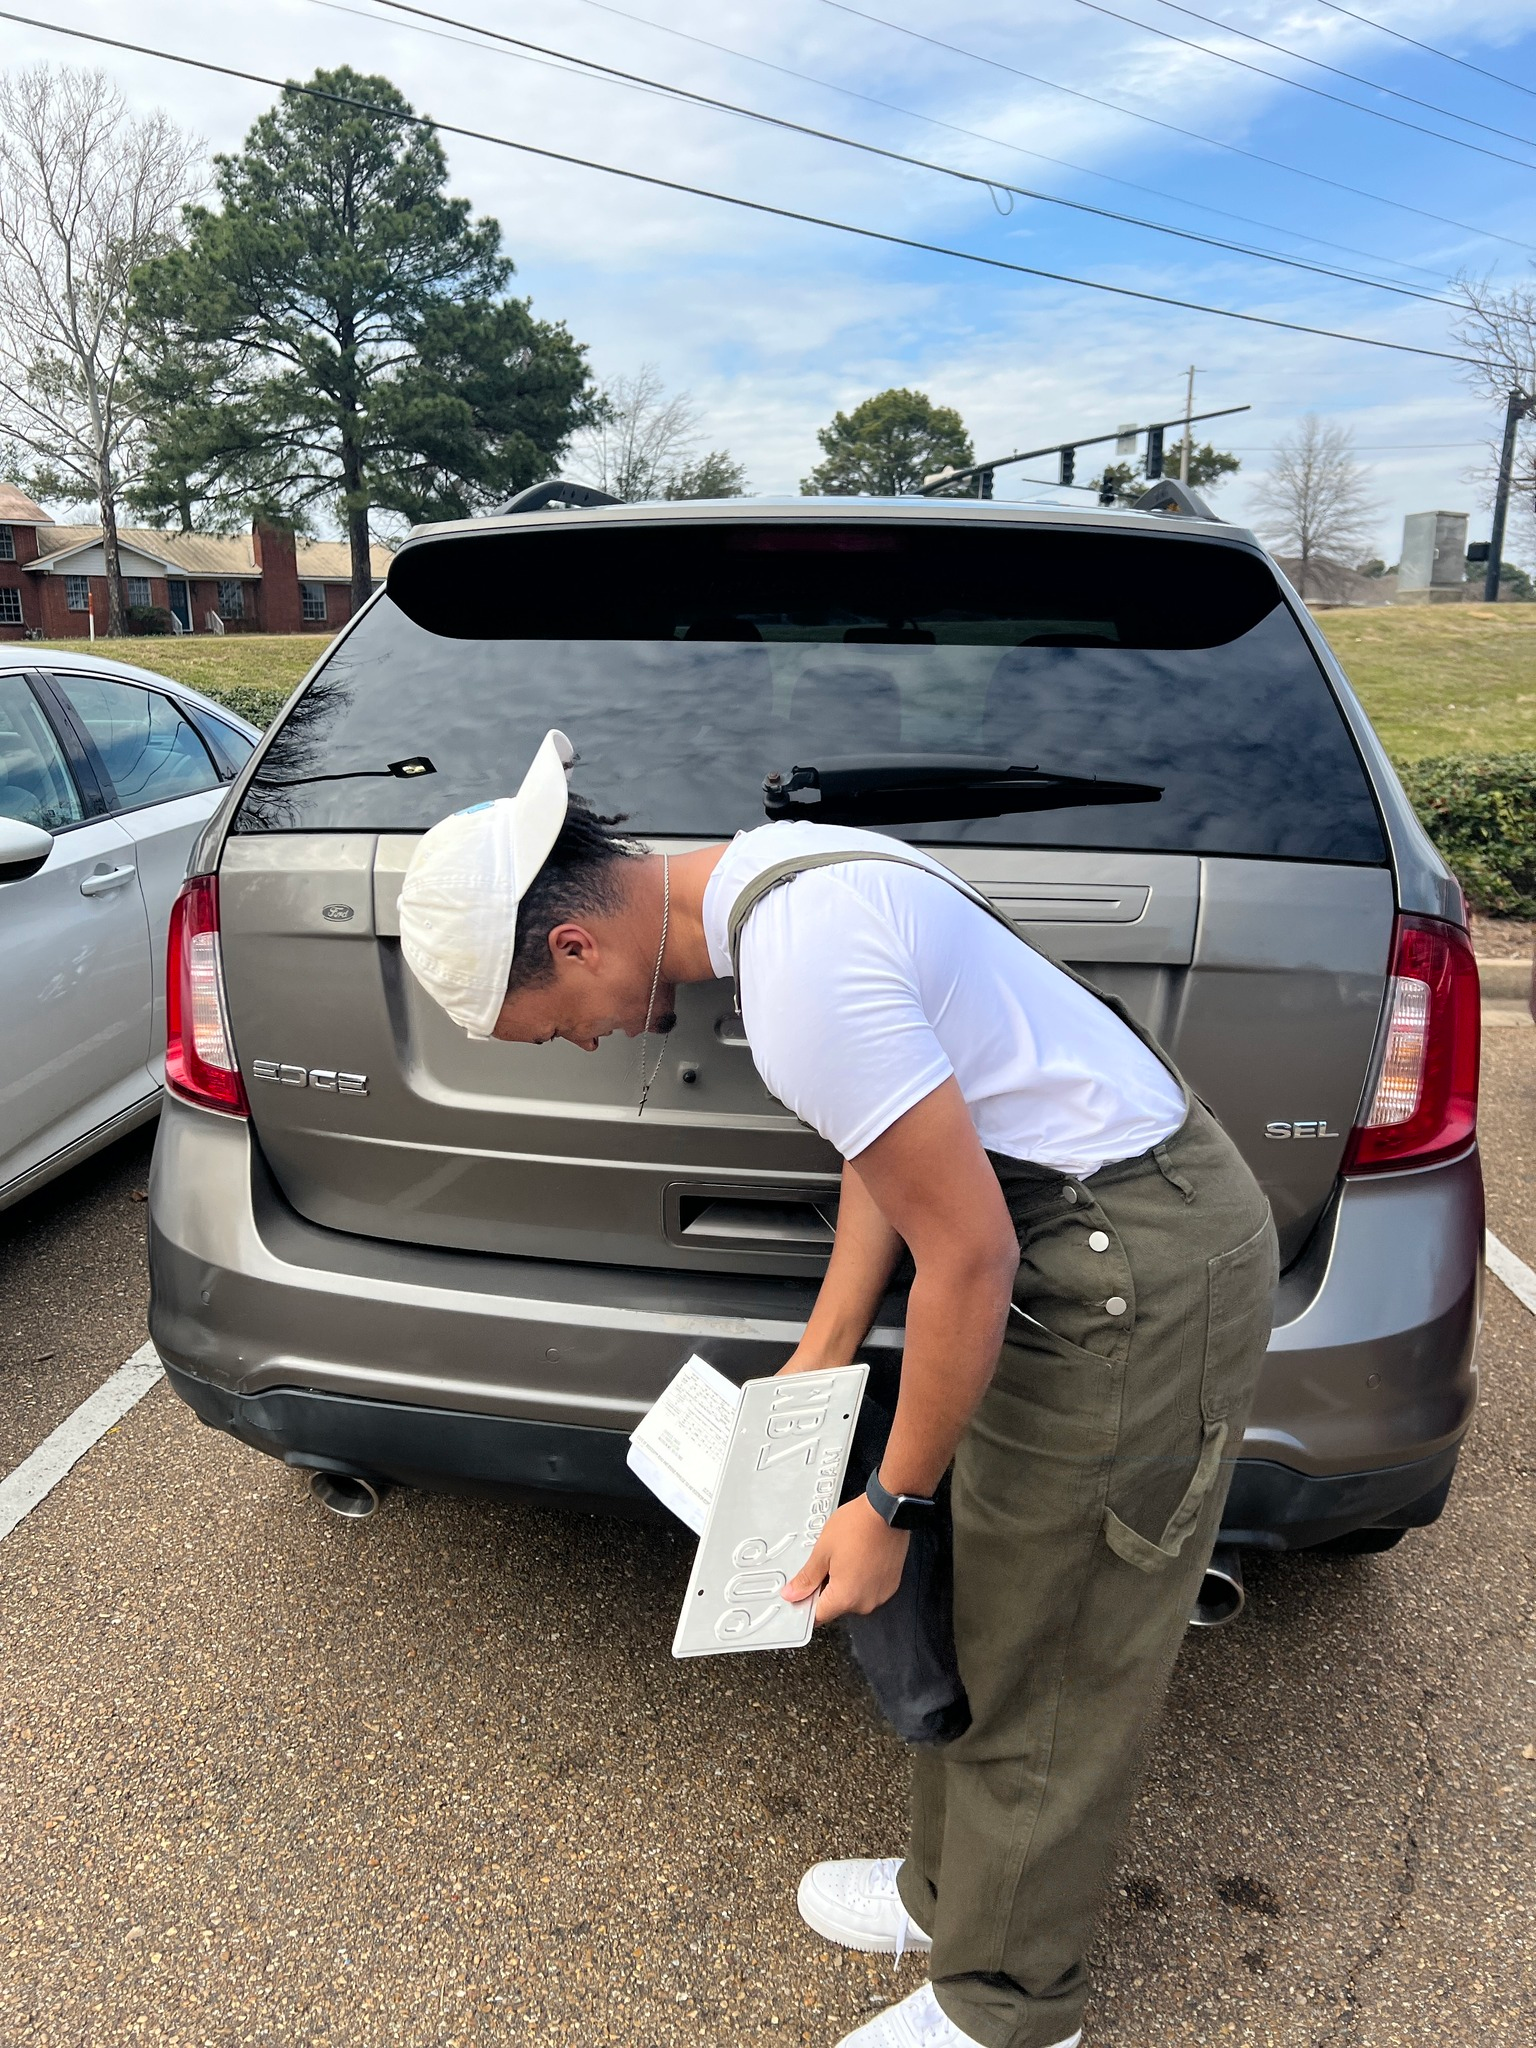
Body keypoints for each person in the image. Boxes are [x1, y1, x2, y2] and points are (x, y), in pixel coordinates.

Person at [398, 731, 1279, 2048]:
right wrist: (819, 1355)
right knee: (994, 1597)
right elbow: (896, 1144)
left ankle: (1010, 2010)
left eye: (552, 1025)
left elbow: (968, 1255)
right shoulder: (779, 881)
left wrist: (887, 1500)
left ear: (572, 946)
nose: (581, 1045)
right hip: (1074, 1247)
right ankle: (951, 1895)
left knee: (1053, 1633)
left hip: (1128, 1267)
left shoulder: (799, 966)